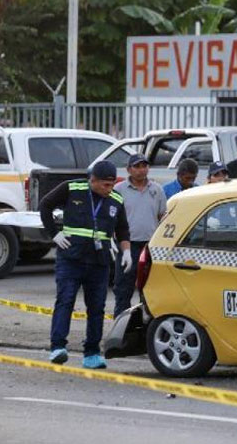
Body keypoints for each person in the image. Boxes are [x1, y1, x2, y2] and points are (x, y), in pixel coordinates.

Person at [39, 160, 132, 369]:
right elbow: (45, 205)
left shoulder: (116, 200)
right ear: (93, 180)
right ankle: (57, 347)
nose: (109, 189)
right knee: (65, 300)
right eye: (105, 185)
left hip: (99, 263)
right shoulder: (72, 188)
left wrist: (126, 252)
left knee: (97, 307)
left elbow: (123, 229)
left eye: (112, 184)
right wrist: (54, 233)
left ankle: (91, 353)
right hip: (71, 258)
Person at [112, 154, 166, 317]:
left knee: (149, 291)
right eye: (137, 166)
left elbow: (162, 216)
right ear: (129, 169)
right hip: (126, 246)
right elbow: (111, 217)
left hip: (149, 248)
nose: (142, 170)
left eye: (144, 166)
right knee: (123, 289)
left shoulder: (157, 189)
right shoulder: (119, 190)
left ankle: (146, 332)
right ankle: (120, 332)